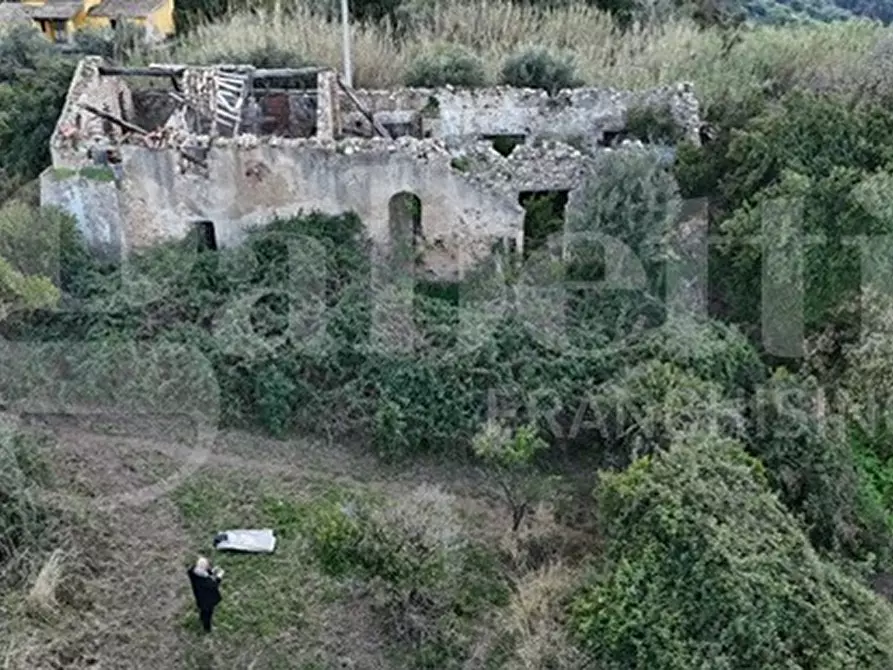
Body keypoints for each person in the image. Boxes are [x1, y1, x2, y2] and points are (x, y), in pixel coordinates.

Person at [187, 556, 224, 633]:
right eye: (207, 566)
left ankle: (201, 618)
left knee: (202, 611)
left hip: (200, 598)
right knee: (208, 614)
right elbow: (213, 585)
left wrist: (211, 572)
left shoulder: (193, 572)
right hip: (207, 601)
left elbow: (204, 573)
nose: (209, 567)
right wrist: (219, 577)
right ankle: (207, 629)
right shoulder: (204, 581)